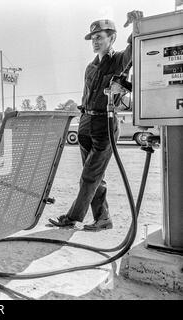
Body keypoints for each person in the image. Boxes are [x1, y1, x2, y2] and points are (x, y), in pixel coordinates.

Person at [49, 11, 143, 231]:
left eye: (100, 37)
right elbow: (85, 96)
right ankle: (103, 219)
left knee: (89, 176)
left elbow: (134, 48)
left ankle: (72, 217)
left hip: (106, 125)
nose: (95, 41)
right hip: (86, 123)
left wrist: (137, 24)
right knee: (94, 176)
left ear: (112, 38)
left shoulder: (120, 60)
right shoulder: (90, 67)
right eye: (93, 38)